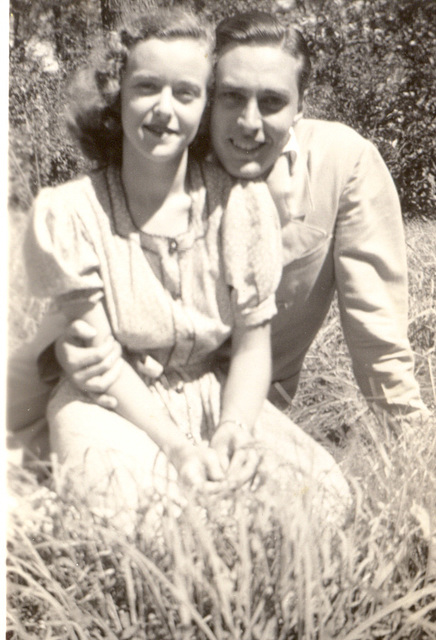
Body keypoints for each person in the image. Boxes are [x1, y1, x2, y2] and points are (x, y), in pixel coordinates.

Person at [17, 8, 350, 520]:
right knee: (146, 518)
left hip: (213, 398)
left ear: (205, 105)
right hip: (109, 403)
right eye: (147, 87)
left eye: (186, 93)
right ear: (116, 93)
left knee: (326, 501)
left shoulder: (241, 206)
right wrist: (178, 449)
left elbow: (251, 346)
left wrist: (233, 429)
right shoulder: (69, 212)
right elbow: (100, 364)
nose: (164, 110)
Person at [50, 10, 430, 433]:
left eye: (272, 101)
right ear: (209, 98)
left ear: (300, 106)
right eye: (232, 96)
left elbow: (378, 335)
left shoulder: (344, 164)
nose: (249, 124)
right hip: (131, 404)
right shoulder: (155, 164)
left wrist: (412, 452)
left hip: (256, 413)